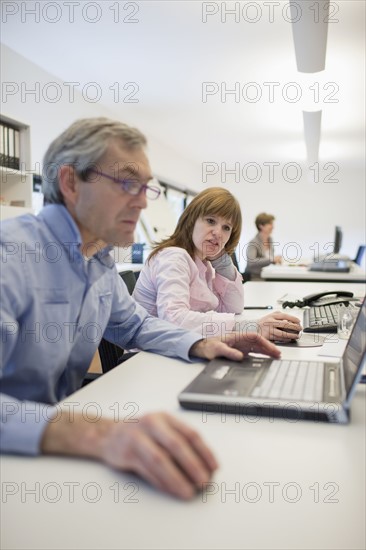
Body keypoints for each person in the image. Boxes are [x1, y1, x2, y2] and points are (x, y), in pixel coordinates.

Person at [0, 118, 282, 501]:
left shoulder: (98, 263)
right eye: (127, 184)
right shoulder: (10, 258)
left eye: (146, 187)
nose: (143, 200)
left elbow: (136, 326)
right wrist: (99, 433)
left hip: (53, 459)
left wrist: (200, 344)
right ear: (70, 183)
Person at [133, 190, 301, 341]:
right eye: (211, 221)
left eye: (226, 227)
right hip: (147, 356)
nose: (218, 233)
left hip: (176, 345)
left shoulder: (203, 263)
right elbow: (174, 319)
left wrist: (222, 262)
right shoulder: (174, 257)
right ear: (191, 220)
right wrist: (249, 327)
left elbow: (232, 307)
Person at [244, 212, 282, 281]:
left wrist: (275, 259)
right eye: (270, 224)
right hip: (255, 277)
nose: (273, 227)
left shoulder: (270, 239)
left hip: (268, 275)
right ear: (261, 226)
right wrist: (272, 259)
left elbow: (268, 259)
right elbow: (251, 262)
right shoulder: (253, 242)